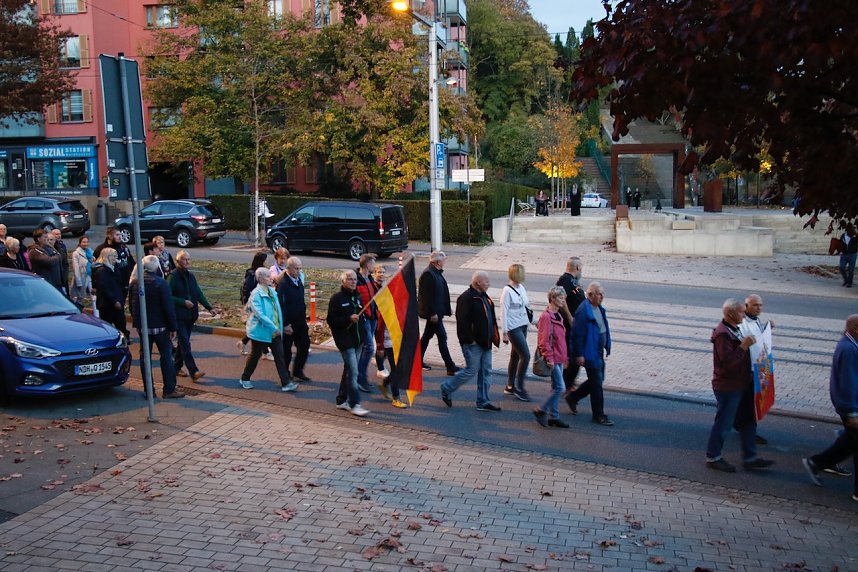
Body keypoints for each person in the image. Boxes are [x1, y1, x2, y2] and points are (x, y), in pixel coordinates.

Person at [705, 299, 775, 472]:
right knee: (724, 423)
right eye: (741, 312)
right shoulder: (722, 335)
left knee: (749, 420)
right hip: (728, 386)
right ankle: (713, 457)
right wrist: (743, 346)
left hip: (743, 383)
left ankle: (750, 457)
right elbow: (728, 364)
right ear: (730, 313)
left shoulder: (734, 328)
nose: (744, 316)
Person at [802, 315, 858, 500]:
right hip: (850, 407)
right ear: (855, 329)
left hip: (851, 405)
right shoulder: (848, 349)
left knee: (850, 442)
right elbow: (848, 383)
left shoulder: (851, 344)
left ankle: (817, 463)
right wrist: (851, 412)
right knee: (853, 442)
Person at [440, 271, 501, 412]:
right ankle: (446, 388)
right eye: (487, 281)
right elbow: (462, 323)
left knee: (486, 371)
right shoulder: (466, 298)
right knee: (471, 371)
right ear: (478, 282)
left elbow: (491, 319)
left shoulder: (484, 297)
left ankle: (483, 401)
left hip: (486, 342)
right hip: (473, 344)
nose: (489, 284)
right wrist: (470, 341)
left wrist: (494, 336)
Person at [239, 267, 299, 393]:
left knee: (279, 356)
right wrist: (274, 328)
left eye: (270, 275)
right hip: (260, 332)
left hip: (274, 331)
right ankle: (245, 378)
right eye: (267, 276)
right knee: (255, 356)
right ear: (260, 279)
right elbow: (260, 315)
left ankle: (286, 383)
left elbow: (277, 311)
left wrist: (281, 327)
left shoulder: (272, 291)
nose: (271, 278)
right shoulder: (256, 294)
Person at [131, 256, 183, 399]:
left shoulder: (135, 283)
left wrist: (137, 322)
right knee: (166, 356)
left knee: (145, 357)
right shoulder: (161, 283)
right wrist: (173, 327)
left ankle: (149, 390)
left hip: (143, 327)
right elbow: (168, 307)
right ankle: (169, 389)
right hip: (160, 326)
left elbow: (132, 305)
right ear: (156, 267)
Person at [567, 282, 614, 426]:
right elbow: (577, 335)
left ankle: (573, 397)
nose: (602, 297)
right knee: (597, 384)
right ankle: (598, 415)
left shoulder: (599, 308)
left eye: (602, 294)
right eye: (599, 294)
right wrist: (579, 354)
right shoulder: (583, 311)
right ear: (590, 295)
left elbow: (603, 327)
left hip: (597, 351)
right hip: (589, 351)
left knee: (598, 380)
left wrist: (607, 344)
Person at [168, 250, 215, 382]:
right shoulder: (173, 277)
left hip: (190, 316)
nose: (187, 262)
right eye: (184, 259)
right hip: (179, 316)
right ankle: (193, 371)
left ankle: (176, 367)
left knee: (183, 343)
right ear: (178, 261)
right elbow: (167, 296)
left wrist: (209, 307)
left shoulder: (191, 276)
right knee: (185, 343)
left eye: (189, 259)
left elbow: (198, 293)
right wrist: (183, 302)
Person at [327, 270, 369, 417]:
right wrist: (348, 319)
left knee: (349, 370)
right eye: (350, 279)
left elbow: (362, 316)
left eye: (355, 279)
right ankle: (354, 404)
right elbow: (331, 321)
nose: (353, 282)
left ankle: (341, 400)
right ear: (343, 281)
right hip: (345, 342)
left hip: (358, 340)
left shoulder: (357, 296)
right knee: (353, 372)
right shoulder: (336, 299)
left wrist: (364, 334)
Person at [533, 286, 570, 428]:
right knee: (560, 388)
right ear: (553, 298)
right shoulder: (546, 317)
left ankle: (554, 416)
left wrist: (565, 358)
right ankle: (540, 409)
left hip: (559, 357)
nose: (563, 300)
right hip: (553, 358)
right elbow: (543, 341)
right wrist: (549, 358)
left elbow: (561, 340)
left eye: (564, 298)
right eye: (561, 298)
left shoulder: (558, 315)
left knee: (555, 387)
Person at [739, 294, 772, 445]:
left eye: (760, 305)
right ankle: (749, 433)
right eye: (755, 305)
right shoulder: (742, 322)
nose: (759, 308)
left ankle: (742, 427)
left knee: (748, 403)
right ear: (746, 306)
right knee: (749, 404)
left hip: (757, 368)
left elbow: (758, 338)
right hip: (749, 370)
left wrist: (767, 328)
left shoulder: (756, 319)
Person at [372, 264, 407, 408]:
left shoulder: (400, 302)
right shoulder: (388, 303)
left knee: (398, 369)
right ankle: (396, 398)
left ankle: (385, 384)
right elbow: (380, 327)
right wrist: (380, 346)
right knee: (397, 369)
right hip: (389, 341)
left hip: (397, 339)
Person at [418, 251, 459, 375]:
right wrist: (432, 313)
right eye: (443, 260)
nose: (445, 261)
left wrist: (447, 308)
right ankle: (450, 366)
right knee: (442, 337)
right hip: (434, 314)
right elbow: (427, 297)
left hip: (437, 312)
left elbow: (442, 292)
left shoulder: (436, 273)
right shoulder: (428, 274)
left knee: (427, 336)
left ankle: (416, 360)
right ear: (438, 262)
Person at [500, 263, 533, 402]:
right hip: (513, 328)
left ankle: (510, 386)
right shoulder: (507, 291)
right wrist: (504, 332)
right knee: (525, 356)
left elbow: (526, 307)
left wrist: (533, 321)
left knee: (515, 356)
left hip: (523, 325)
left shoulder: (521, 288)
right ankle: (519, 388)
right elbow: (503, 312)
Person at [277, 256, 312, 382]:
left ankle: (298, 370)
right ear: (289, 268)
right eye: (296, 269)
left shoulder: (298, 281)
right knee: (287, 350)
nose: (299, 271)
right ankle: (285, 375)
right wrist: (285, 324)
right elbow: (281, 305)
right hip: (289, 323)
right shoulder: (283, 284)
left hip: (300, 321)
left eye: (300, 268)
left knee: (304, 345)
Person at [557, 257, 586, 400]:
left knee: (574, 355)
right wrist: (569, 317)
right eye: (581, 267)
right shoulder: (565, 280)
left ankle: (567, 383)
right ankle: (564, 384)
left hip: (576, 325)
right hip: (569, 327)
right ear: (578, 268)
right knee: (572, 355)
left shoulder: (572, 281)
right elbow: (560, 299)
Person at [355, 253, 379, 393]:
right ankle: (360, 378)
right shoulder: (357, 280)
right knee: (369, 347)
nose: (374, 266)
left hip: (372, 317)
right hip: (364, 319)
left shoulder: (369, 278)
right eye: (373, 263)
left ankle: (357, 375)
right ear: (367, 264)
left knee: (364, 348)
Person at [92, 248, 128, 337]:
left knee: (121, 325)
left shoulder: (114, 269)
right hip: (107, 304)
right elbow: (104, 288)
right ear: (107, 257)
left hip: (117, 302)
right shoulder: (101, 271)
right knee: (107, 326)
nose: (116, 258)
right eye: (114, 256)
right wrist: (114, 301)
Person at [237, 251, 269, 355]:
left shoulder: (259, 272)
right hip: (254, 305)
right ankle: (265, 351)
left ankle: (243, 342)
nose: (267, 262)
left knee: (256, 327)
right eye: (265, 260)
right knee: (260, 326)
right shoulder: (252, 274)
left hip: (259, 303)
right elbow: (248, 291)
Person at [93, 226, 134, 296]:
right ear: (110, 236)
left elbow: (131, 261)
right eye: (117, 235)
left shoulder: (123, 247)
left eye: (120, 234)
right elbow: (95, 267)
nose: (120, 237)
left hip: (126, 282)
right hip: (111, 284)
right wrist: (94, 285)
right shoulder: (101, 249)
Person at [70, 236, 93, 304]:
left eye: (87, 242)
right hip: (82, 276)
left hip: (90, 276)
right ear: (80, 243)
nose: (86, 244)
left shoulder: (90, 251)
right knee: (79, 296)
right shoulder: (76, 253)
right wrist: (78, 282)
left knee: (93, 295)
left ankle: (95, 310)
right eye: (84, 242)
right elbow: (76, 268)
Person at [50, 229, 69, 293]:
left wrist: (65, 276)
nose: (59, 236)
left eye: (60, 234)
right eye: (56, 234)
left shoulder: (62, 246)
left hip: (63, 274)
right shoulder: (51, 247)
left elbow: (65, 262)